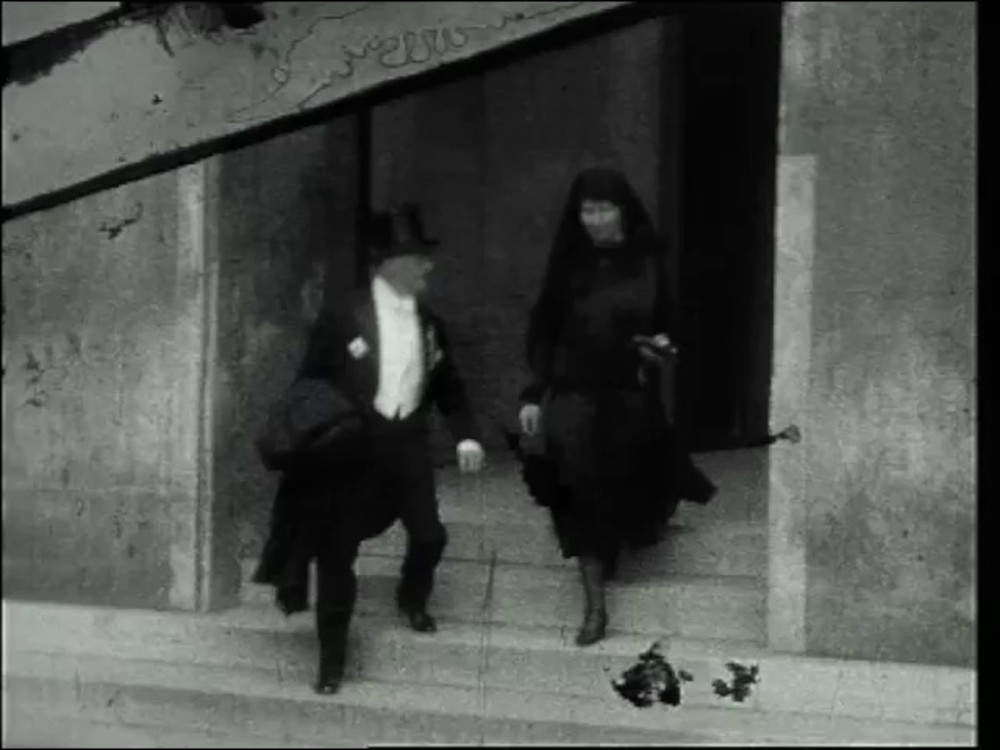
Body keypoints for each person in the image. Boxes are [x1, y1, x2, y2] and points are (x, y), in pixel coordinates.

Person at [253, 203, 486, 695]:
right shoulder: (344, 316)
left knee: (430, 536)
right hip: (353, 452)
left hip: (408, 446)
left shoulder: (431, 323)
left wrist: (466, 434)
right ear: (387, 263)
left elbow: (449, 386)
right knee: (336, 556)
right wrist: (312, 433)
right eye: (415, 257)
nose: (427, 266)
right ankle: (331, 663)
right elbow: (310, 380)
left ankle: (412, 597)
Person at [515, 167, 716, 647]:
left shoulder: (651, 261)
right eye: (587, 210)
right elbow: (544, 332)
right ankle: (595, 607)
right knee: (574, 478)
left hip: (628, 392)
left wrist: (664, 345)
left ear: (623, 211)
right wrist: (533, 393)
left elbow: (674, 324)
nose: (594, 219)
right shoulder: (567, 263)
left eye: (603, 209)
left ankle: (614, 543)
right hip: (573, 390)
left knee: (624, 474)